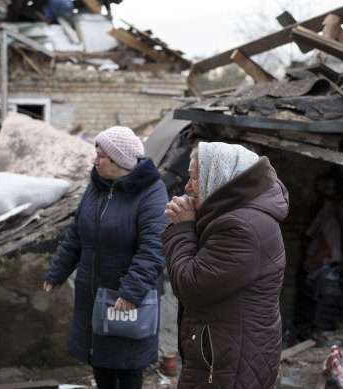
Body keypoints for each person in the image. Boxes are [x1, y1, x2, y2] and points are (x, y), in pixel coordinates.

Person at [43, 126, 168, 389]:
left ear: (120, 161)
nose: (94, 160)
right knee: (99, 360)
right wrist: (58, 271)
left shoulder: (152, 192)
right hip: (92, 293)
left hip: (126, 298)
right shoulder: (96, 187)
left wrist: (130, 292)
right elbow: (76, 235)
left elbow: (154, 248)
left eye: (101, 156)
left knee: (128, 366)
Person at [161, 142, 289, 389]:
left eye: (194, 178)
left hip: (229, 358)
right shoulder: (235, 215)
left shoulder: (241, 227)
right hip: (227, 349)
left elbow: (190, 285)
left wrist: (182, 228)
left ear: (218, 178)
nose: (187, 187)